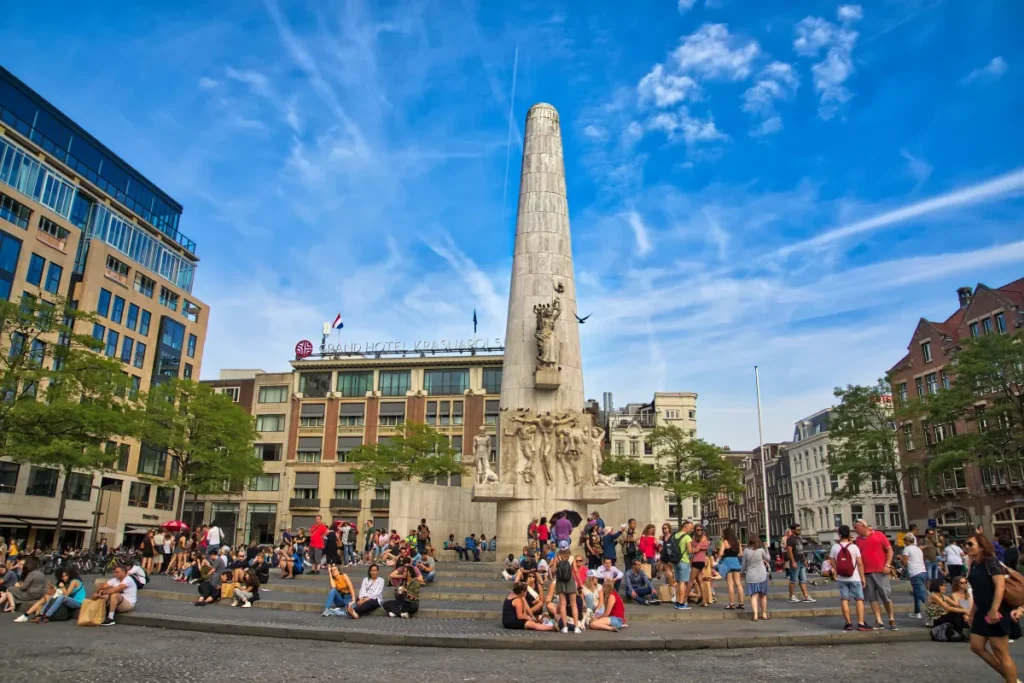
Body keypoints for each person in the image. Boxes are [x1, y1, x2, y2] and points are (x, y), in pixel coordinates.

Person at [965, 532, 1018, 683]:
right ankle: (1010, 677)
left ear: (981, 547)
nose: (967, 547)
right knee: (976, 646)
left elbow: (1000, 586)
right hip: (982, 611)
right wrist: (972, 612)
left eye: (971, 544)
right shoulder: (974, 564)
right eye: (966, 544)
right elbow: (977, 591)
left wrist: (994, 609)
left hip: (996, 610)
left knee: (1000, 651)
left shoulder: (991, 562)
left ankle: (1012, 680)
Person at [854, 518, 897, 631]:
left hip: (880, 570)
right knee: (872, 597)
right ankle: (879, 620)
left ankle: (891, 618)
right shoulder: (858, 540)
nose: (855, 530)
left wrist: (887, 565)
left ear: (863, 526)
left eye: (856, 527)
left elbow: (890, 551)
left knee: (886, 595)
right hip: (867, 572)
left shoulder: (879, 535)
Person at [829, 524, 871, 631]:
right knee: (859, 599)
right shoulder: (854, 547)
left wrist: (837, 570)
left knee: (844, 599)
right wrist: (862, 577)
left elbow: (831, 560)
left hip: (842, 578)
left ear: (839, 534)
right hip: (855, 577)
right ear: (849, 534)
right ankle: (861, 623)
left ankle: (848, 623)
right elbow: (860, 563)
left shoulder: (835, 547)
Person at [741, 536, 771, 622]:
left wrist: (742, 573)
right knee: (763, 596)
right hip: (762, 575)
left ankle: (755, 615)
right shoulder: (761, 550)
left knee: (754, 596)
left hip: (751, 576)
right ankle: (764, 614)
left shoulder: (746, 551)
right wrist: (766, 549)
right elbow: (768, 559)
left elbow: (743, 563)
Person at [553, 547, 581, 633]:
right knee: (574, 604)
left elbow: (553, 570)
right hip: (570, 581)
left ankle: (565, 627)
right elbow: (575, 571)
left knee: (562, 604)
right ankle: (576, 627)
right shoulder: (572, 558)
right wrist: (580, 582)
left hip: (560, 582)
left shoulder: (557, 558)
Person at [785, 523, 815, 604]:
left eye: (800, 529)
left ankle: (806, 596)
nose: (799, 531)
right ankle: (791, 596)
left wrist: (804, 560)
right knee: (793, 580)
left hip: (801, 561)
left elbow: (801, 551)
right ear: (793, 530)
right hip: (796, 562)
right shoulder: (790, 539)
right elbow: (789, 551)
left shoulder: (799, 538)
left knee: (803, 580)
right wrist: (793, 561)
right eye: (798, 529)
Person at [902, 534, 928, 619]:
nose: (904, 542)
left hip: (915, 572)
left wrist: (901, 558)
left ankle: (931, 607)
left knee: (921, 594)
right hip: (923, 571)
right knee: (917, 593)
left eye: (904, 540)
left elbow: (905, 562)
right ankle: (917, 612)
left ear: (907, 540)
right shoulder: (918, 549)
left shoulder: (907, 549)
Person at [671, 520, 694, 611]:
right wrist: (695, 549)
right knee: (682, 582)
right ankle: (681, 603)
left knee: (677, 581)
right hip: (684, 561)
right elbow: (690, 551)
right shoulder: (687, 537)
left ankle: (677, 602)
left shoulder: (675, 535)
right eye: (690, 527)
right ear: (685, 526)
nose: (691, 529)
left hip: (675, 561)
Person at [688, 525, 711, 606]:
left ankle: (683, 600)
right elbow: (691, 548)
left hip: (699, 561)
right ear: (695, 530)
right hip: (695, 560)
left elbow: (695, 550)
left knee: (690, 580)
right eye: (698, 530)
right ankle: (704, 601)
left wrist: (693, 549)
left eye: (701, 529)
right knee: (699, 580)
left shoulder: (703, 538)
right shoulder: (694, 537)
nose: (700, 531)